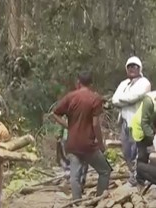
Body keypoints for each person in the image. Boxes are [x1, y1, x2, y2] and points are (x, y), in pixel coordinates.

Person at [51, 73, 112, 199]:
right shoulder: (95, 99)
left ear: (78, 82)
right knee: (105, 171)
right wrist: (100, 144)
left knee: (75, 176)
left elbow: (55, 114)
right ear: (91, 84)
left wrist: (68, 126)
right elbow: (95, 125)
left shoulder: (70, 97)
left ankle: (77, 203)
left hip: (72, 143)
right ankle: (99, 200)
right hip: (88, 144)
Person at [111, 56, 152, 184]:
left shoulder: (144, 82)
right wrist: (125, 99)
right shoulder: (123, 84)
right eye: (129, 66)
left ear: (139, 68)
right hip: (124, 122)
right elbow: (114, 100)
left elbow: (135, 97)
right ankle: (132, 173)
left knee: (138, 151)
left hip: (137, 123)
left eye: (135, 66)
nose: (132, 69)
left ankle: (138, 177)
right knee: (126, 151)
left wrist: (122, 100)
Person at [130, 91, 156, 184]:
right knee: (142, 155)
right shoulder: (149, 100)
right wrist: (154, 139)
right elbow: (144, 123)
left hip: (151, 127)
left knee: (146, 159)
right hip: (140, 128)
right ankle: (137, 179)